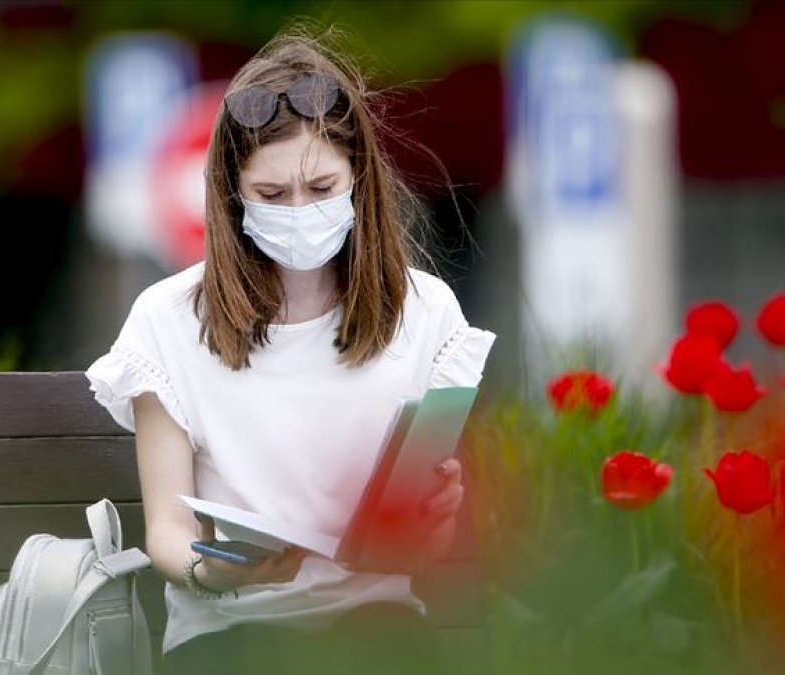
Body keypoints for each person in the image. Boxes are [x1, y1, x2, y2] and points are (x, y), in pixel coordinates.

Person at [84, 26, 496, 674]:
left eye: (323, 188)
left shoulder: (428, 312)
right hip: (228, 631)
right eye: (272, 195)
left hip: (378, 630)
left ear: (359, 178)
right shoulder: (166, 321)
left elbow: (422, 545)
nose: (299, 211)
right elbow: (166, 525)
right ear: (231, 193)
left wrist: (435, 521)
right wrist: (212, 571)